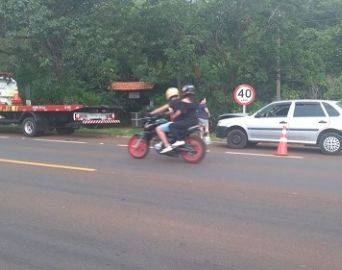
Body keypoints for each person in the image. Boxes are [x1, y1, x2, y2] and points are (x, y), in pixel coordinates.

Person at [163, 84, 198, 153]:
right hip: (194, 122)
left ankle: (177, 141)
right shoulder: (193, 101)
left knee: (171, 126)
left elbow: (178, 113)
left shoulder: (182, 101)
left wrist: (171, 114)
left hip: (185, 122)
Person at [150, 87, 182, 152]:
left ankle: (167, 145)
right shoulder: (180, 102)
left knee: (158, 128)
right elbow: (171, 111)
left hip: (175, 124)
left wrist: (151, 113)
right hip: (183, 123)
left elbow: (161, 109)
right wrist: (164, 113)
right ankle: (165, 141)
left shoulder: (171, 103)